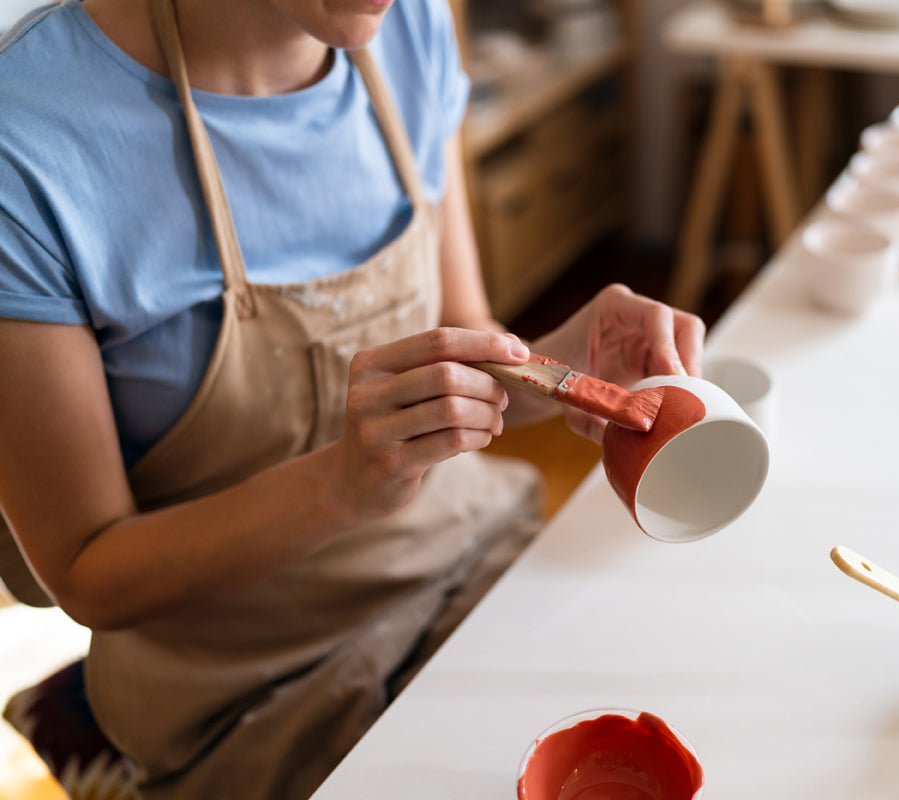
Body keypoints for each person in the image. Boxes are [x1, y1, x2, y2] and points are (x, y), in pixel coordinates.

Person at [0, 0, 705, 797]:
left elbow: (463, 329)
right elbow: (88, 571)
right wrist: (339, 486)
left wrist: (561, 369)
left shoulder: (408, 26)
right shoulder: (26, 144)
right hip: (245, 682)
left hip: (457, 552)